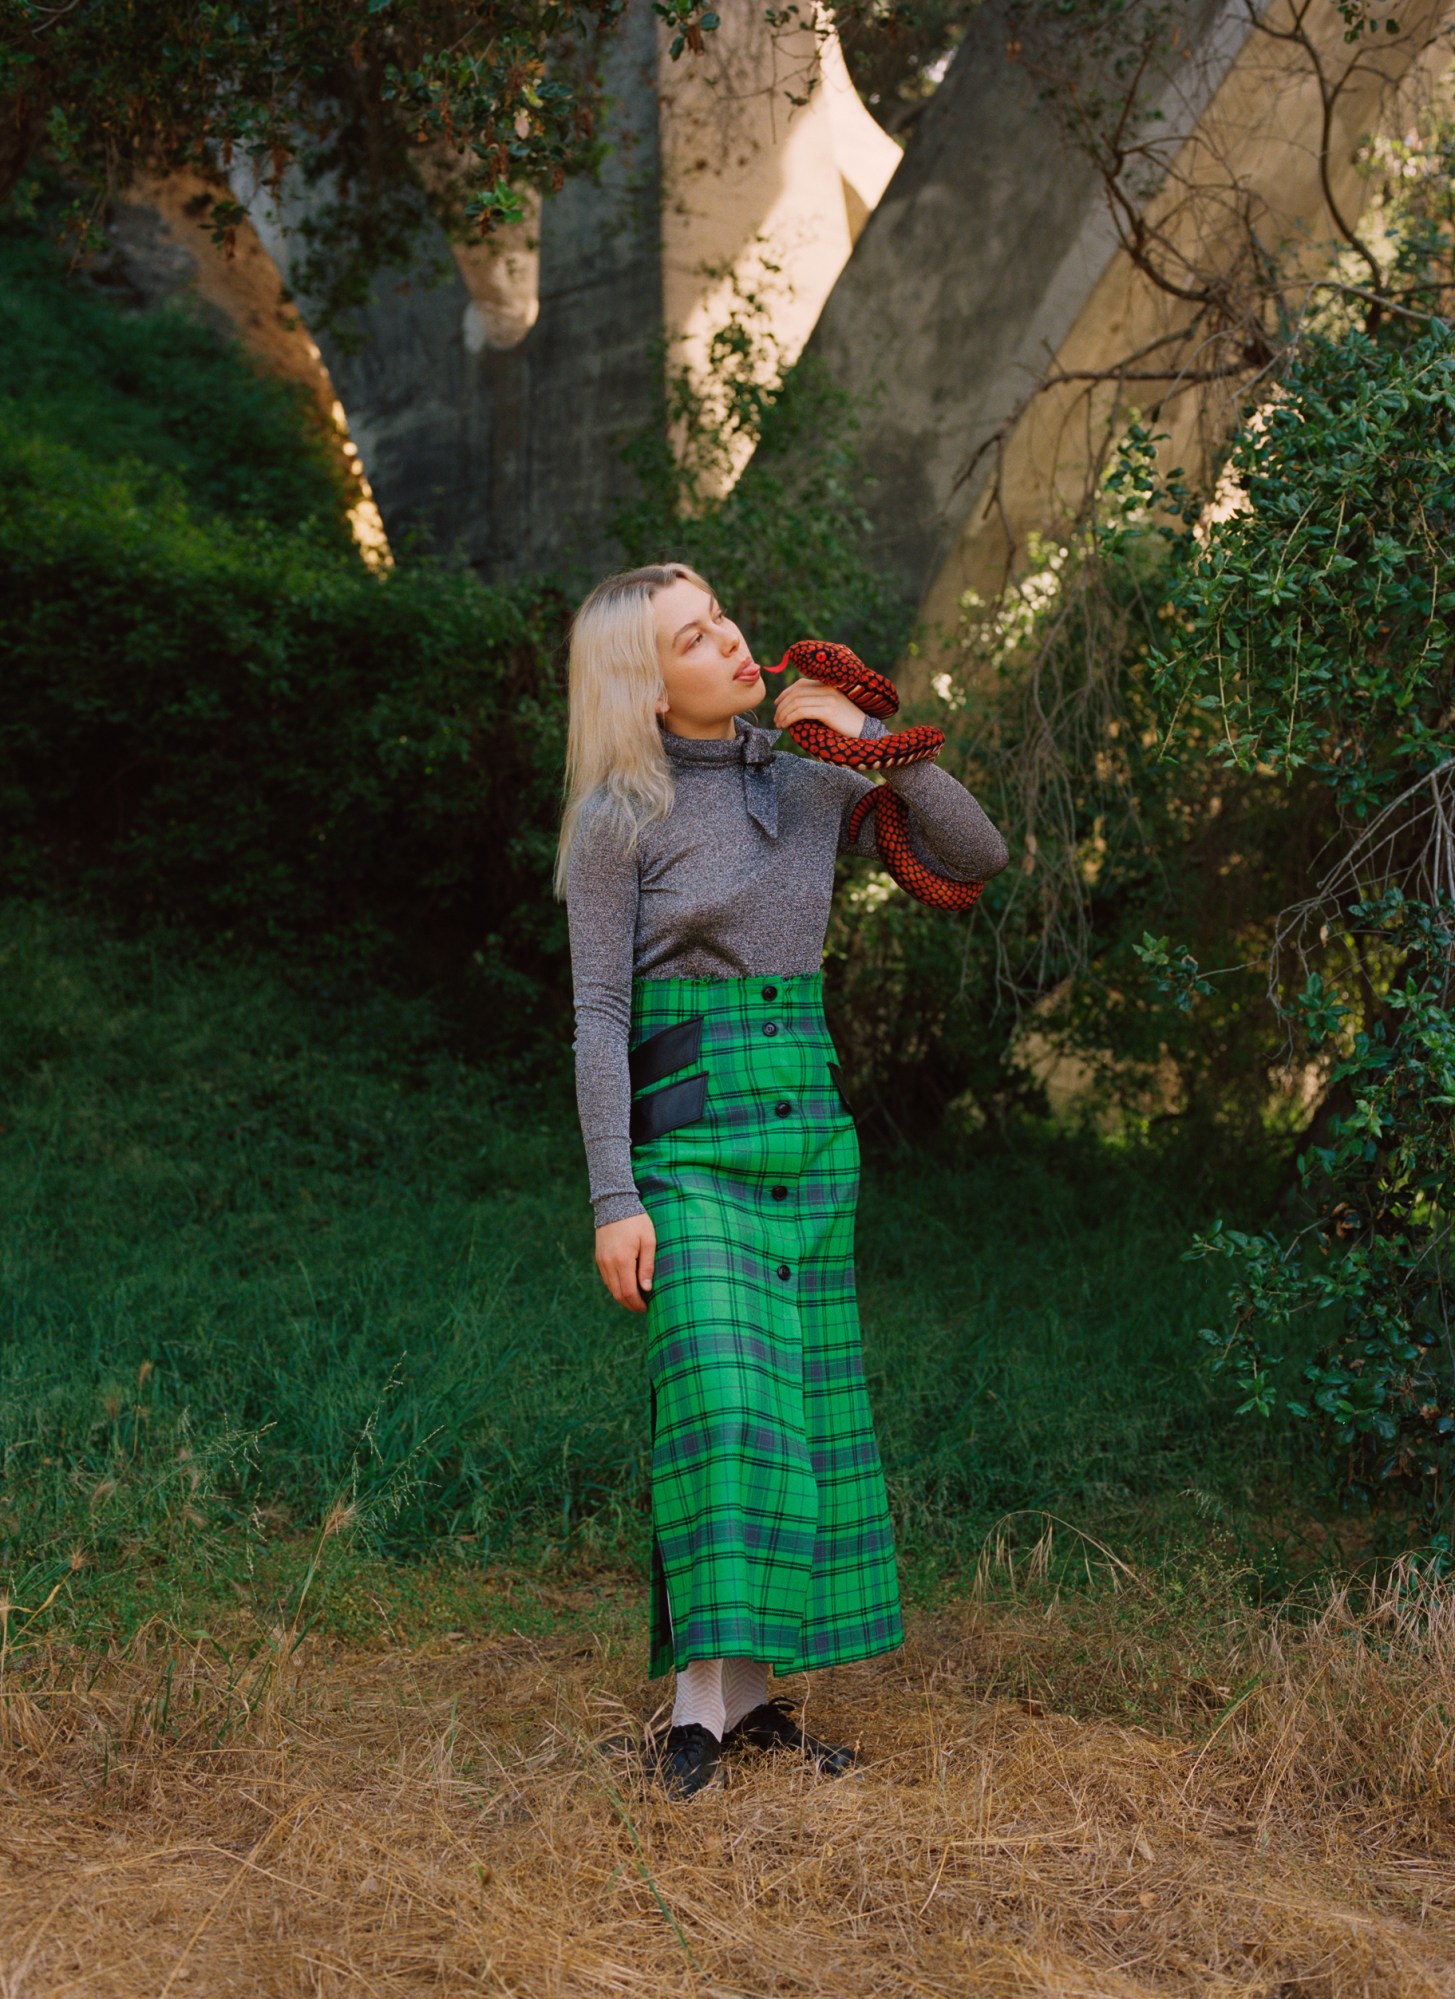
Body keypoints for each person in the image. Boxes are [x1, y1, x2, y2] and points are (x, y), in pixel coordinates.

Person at [555, 562, 1010, 1799]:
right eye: (691, 638)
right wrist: (614, 1196)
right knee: (724, 1411)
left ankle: (747, 1703)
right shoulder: (618, 816)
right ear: (648, 690)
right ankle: (694, 1714)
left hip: (808, 1131)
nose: (730, 641)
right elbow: (599, 1015)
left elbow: (977, 854)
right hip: (690, 1144)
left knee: (798, 1421)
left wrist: (877, 746)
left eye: (721, 617)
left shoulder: (806, 778)